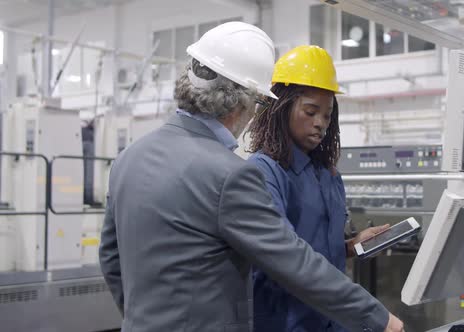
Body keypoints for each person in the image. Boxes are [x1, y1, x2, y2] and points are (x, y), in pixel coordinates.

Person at [99, 22, 404, 332]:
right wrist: (377, 317)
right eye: (259, 102)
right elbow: (290, 260)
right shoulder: (230, 174)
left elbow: (111, 259)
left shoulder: (127, 160)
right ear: (242, 100)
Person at [246, 45, 393, 332]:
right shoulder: (263, 172)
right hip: (286, 321)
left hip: (332, 320)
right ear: (282, 108)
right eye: (311, 112)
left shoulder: (328, 174)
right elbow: (284, 256)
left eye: (327, 116)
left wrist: (352, 246)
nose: (320, 124)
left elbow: (319, 247)